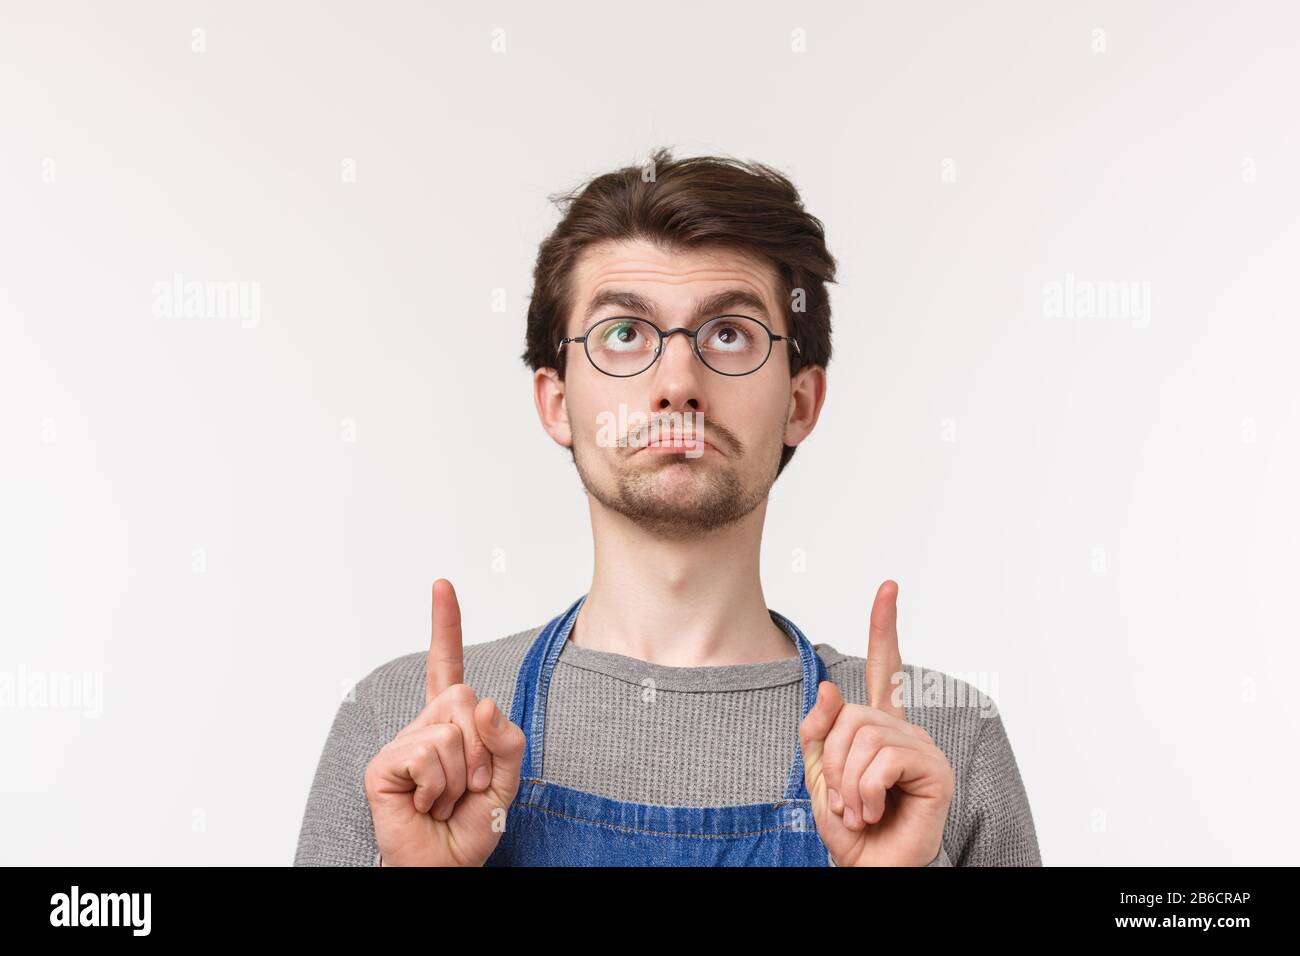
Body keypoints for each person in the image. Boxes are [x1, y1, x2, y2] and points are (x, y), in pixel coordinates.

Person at [294, 148, 1041, 866]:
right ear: (557, 402)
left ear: (800, 401)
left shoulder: (938, 743)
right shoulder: (402, 727)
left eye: (728, 333)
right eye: (624, 333)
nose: (677, 380)